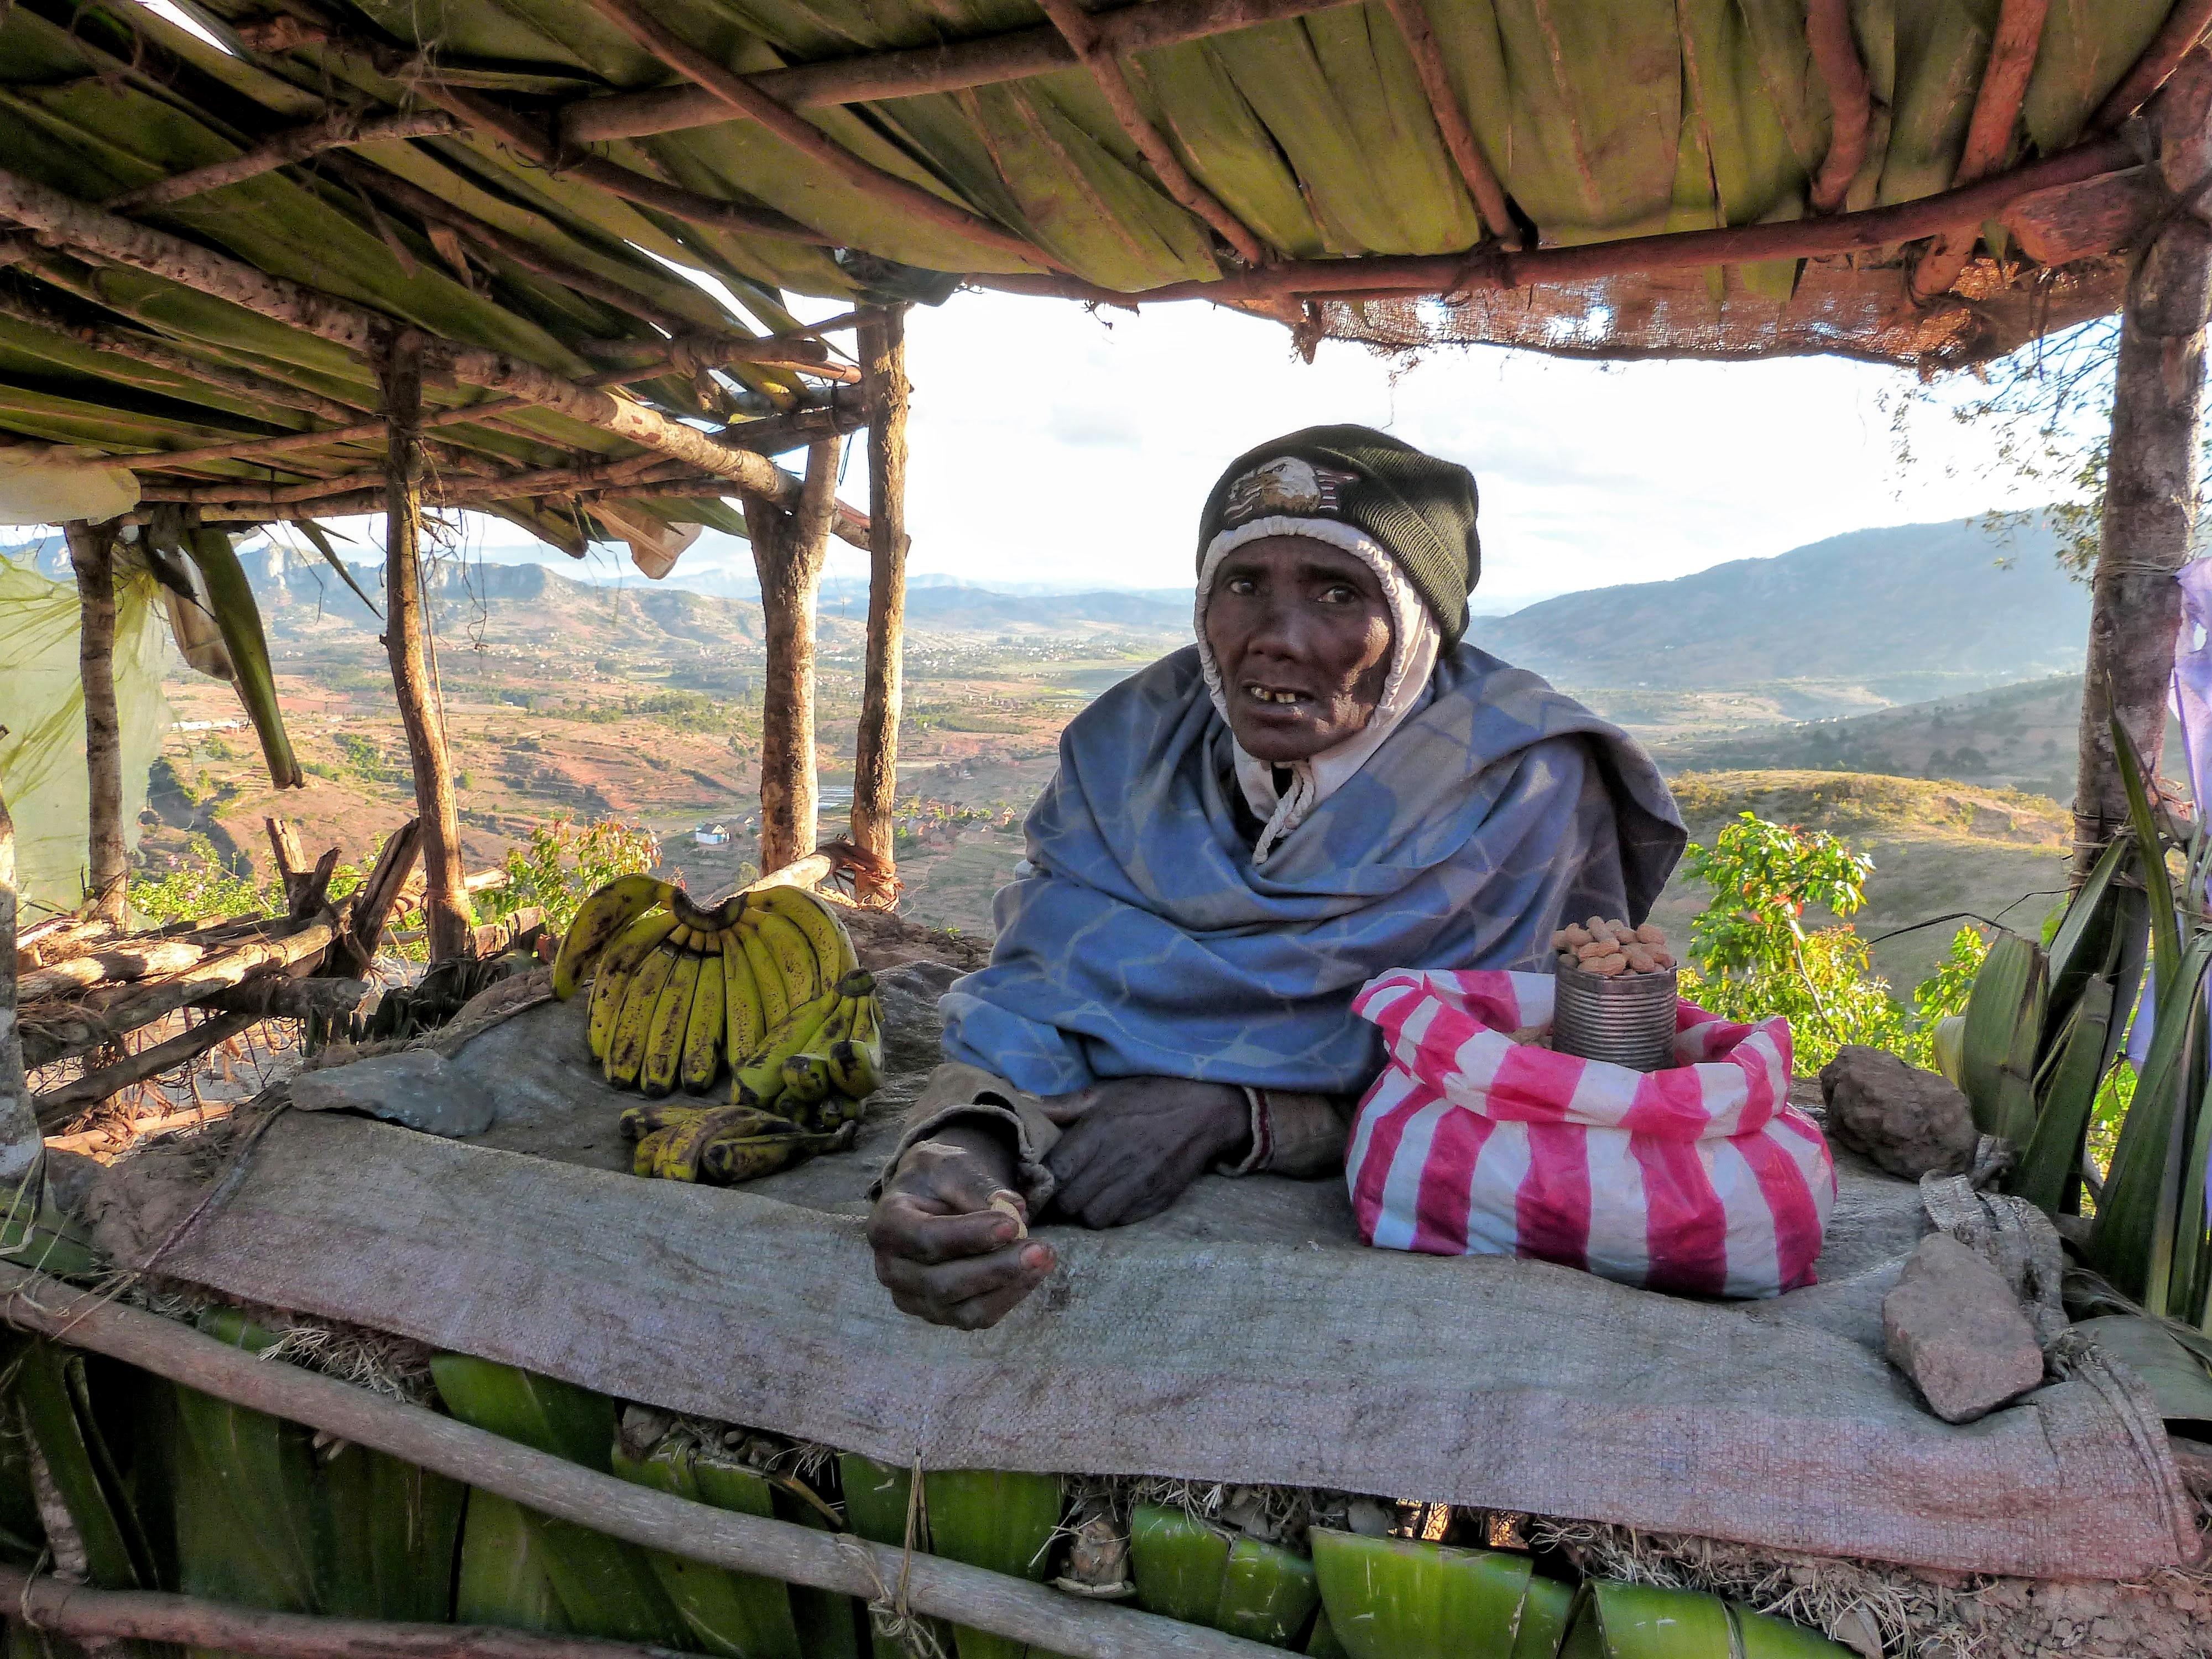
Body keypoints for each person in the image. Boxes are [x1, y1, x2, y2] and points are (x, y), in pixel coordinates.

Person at [867, 426, 1686, 1328]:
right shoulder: (1127, 749)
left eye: (1339, 592)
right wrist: (967, 1147)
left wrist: (1238, 1112)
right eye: (1244, 584)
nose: (1277, 639)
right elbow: (1033, 998)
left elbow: (1521, 1070)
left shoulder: (1525, 786)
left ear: (1417, 624)